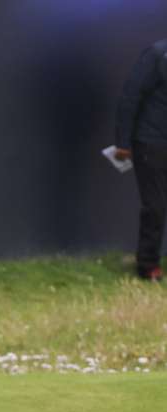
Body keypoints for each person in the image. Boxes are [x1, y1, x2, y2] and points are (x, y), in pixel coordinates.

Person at [114, 39, 167, 282]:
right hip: (151, 141)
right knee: (155, 206)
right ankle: (148, 264)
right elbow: (131, 96)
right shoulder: (157, 54)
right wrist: (123, 142)